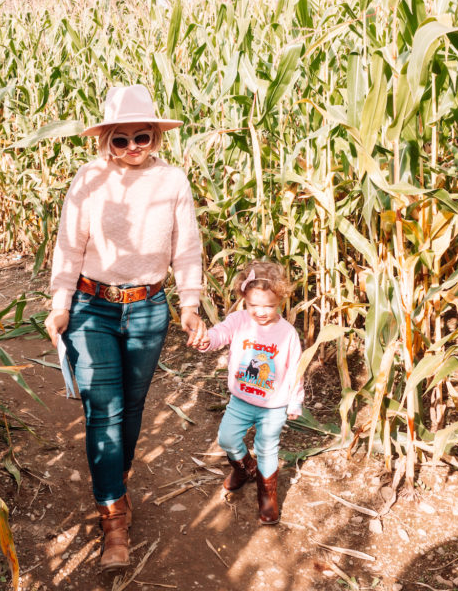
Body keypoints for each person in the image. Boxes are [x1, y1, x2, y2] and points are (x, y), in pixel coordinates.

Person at [46, 84, 204, 569]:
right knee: (104, 410)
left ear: (156, 136)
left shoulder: (173, 180)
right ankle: (113, 518)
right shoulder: (89, 179)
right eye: (121, 139)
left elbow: (187, 247)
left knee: (131, 409)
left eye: (143, 137)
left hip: (149, 307)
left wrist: (191, 303)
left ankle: (116, 479)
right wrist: (60, 304)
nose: (133, 147)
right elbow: (69, 246)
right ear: (105, 140)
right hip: (93, 307)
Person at [187, 260, 302, 525]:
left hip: (273, 405)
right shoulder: (239, 321)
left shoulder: (287, 333)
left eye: (269, 306)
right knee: (227, 439)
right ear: (244, 299)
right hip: (241, 400)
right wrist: (206, 340)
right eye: (254, 305)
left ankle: (267, 495)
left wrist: (295, 401)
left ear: (280, 300)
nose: (261, 312)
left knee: (267, 448)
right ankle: (244, 468)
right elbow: (220, 334)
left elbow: (297, 368)